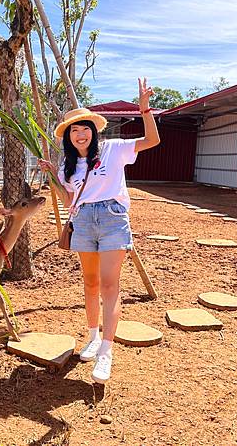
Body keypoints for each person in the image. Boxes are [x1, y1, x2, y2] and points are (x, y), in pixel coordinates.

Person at [38, 77, 160, 384]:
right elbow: (69, 200)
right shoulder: (68, 164)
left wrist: (145, 111)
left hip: (112, 219)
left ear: (94, 130)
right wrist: (53, 175)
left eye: (85, 128)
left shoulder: (113, 149)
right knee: (90, 284)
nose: (80, 134)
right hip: (82, 222)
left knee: (109, 286)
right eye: (74, 130)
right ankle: (93, 337)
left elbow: (151, 141)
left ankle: (107, 350)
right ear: (68, 136)